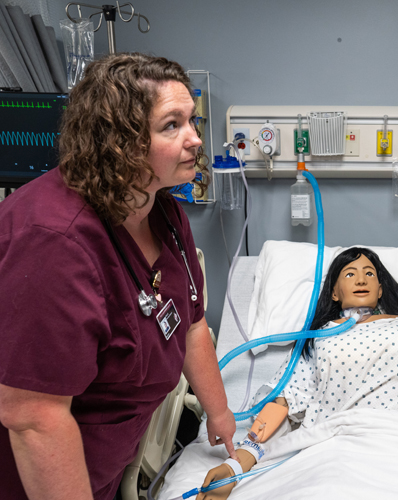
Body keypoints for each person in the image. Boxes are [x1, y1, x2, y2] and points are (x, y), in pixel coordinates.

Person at [0, 53, 237, 500]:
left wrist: (220, 415)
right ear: (120, 142)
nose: (195, 140)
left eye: (192, 121)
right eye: (172, 125)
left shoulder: (163, 212)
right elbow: (34, 416)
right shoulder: (54, 242)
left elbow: (191, 324)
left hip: (102, 468)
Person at [196, 247, 398, 500]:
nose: (361, 279)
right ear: (335, 292)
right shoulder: (318, 339)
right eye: (350, 273)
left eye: (369, 273)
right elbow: (284, 402)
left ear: (380, 289)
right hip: (336, 445)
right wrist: (237, 464)